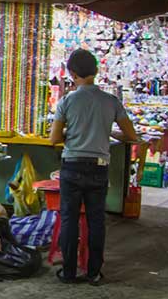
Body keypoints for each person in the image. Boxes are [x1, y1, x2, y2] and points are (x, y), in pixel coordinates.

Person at [49, 49, 139, 285]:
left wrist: (73, 132)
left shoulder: (67, 101)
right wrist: (106, 130)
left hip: (72, 166)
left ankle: (68, 273)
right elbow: (132, 136)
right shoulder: (111, 101)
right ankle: (94, 272)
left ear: (72, 73)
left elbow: (53, 139)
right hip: (99, 168)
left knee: (69, 219)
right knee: (96, 220)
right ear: (96, 72)